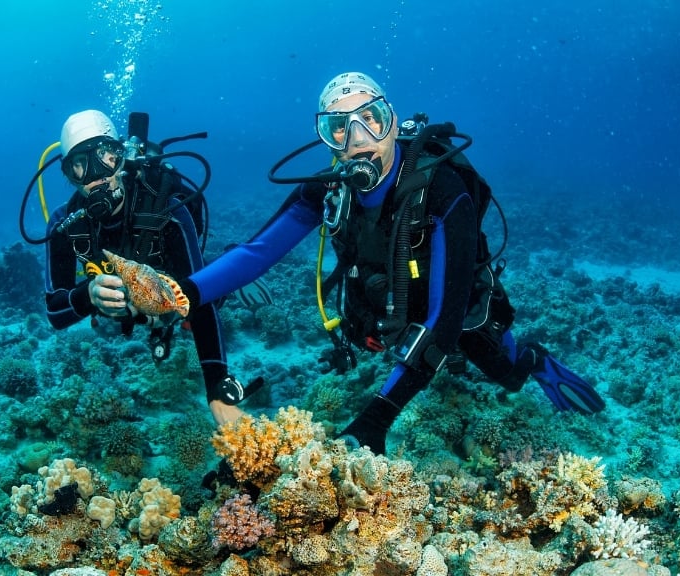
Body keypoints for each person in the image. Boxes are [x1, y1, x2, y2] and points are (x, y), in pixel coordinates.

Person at [177, 72, 604, 454]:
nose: (359, 138)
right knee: (367, 331)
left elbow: (444, 319)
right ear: (327, 139)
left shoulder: (442, 189)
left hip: (453, 306)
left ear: (394, 124)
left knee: (505, 374)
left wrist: (375, 421)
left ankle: (535, 360)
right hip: (387, 306)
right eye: (339, 127)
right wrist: (180, 293)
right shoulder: (329, 192)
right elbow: (256, 253)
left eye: (371, 119)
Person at [43, 109, 247, 426]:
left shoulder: (167, 208)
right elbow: (55, 313)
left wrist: (217, 390)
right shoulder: (64, 224)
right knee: (116, 323)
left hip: (175, 290)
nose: (96, 175)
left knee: (211, 296)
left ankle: (235, 265)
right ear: (69, 175)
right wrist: (89, 295)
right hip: (126, 306)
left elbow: (201, 300)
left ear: (121, 157)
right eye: (80, 165)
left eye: (104, 157)